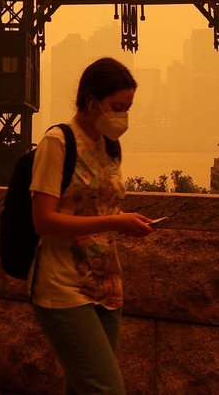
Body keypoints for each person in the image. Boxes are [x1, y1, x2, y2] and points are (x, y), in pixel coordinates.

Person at [30, 57, 153, 395]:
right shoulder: (57, 143)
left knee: (84, 388)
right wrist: (116, 222)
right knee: (106, 389)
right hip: (64, 286)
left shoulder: (110, 146)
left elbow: (103, 205)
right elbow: (42, 219)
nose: (123, 116)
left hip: (107, 286)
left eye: (128, 108)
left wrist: (126, 219)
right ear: (90, 102)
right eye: (118, 106)